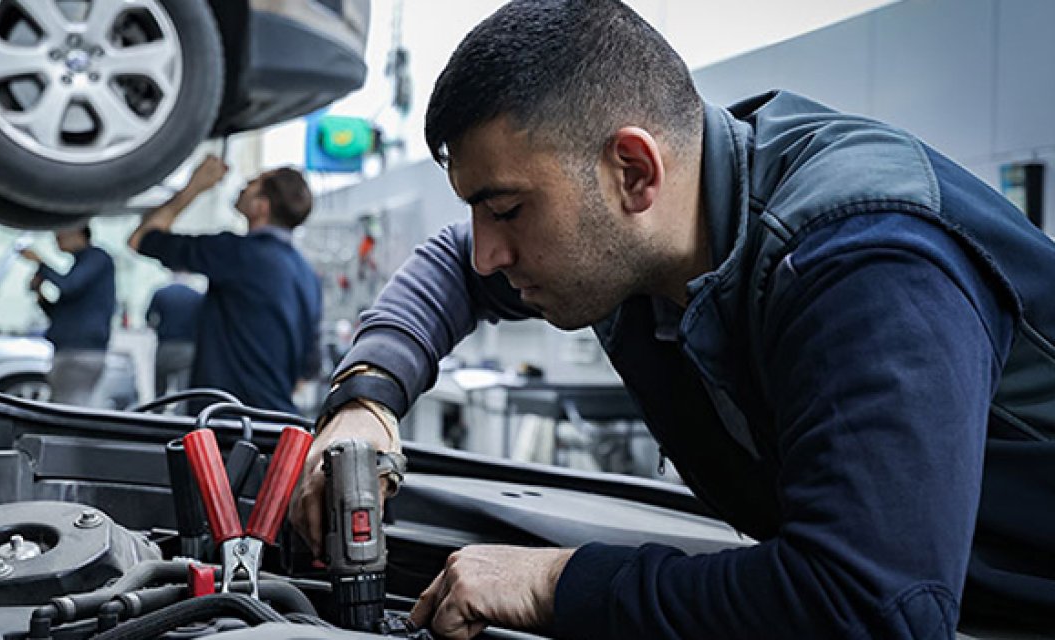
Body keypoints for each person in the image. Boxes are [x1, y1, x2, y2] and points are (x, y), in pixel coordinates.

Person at [289, 0, 1055, 637]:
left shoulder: (866, 259)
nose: (489, 253)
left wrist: (560, 583)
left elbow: (873, 607)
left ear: (634, 171)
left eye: (508, 210)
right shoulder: (652, 236)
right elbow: (452, 265)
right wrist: (366, 403)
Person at [128, 156, 322, 414]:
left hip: (225, 424)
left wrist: (194, 186)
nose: (242, 187)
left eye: (251, 184)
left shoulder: (237, 253)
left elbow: (141, 239)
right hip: (276, 424)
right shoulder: (307, 274)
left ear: (260, 207)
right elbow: (310, 366)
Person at [21, 225, 116, 407]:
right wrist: (40, 294)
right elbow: (61, 312)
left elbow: (69, 285)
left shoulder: (97, 258)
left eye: (60, 233)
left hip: (81, 351)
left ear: (78, 232)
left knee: (69, 409)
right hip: (69, 350)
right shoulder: (80, 265)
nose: (57, 238)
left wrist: (41, 264)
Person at [146, 272, 205, 405]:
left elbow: (150, 320)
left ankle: (156, 416)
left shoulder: (161, 293)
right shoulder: (196, 297)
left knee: (160, 390)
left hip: (165, 346)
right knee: (184, 392)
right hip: (188, 348)